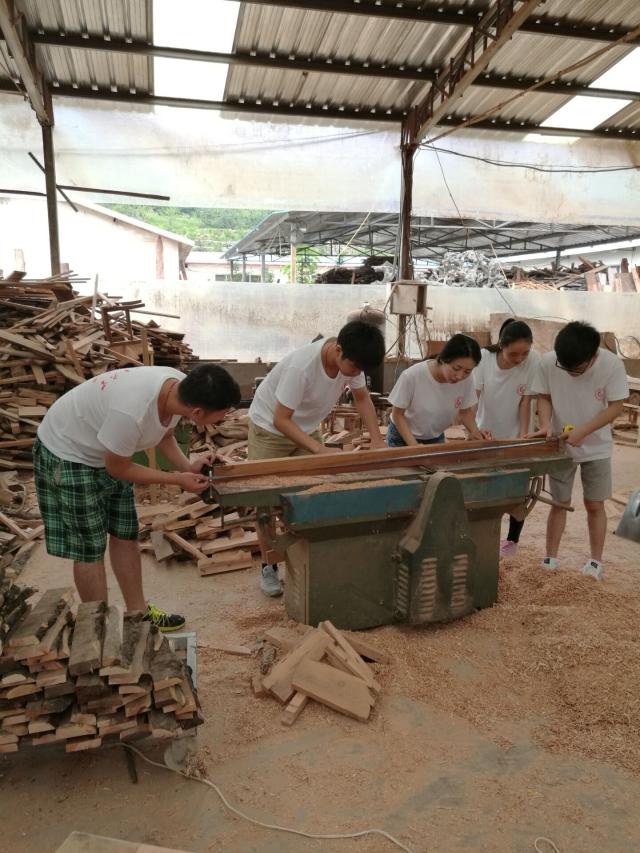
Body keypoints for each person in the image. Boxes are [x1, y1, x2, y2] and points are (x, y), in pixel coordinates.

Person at [33, 364, 241, 630]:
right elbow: (118, 468)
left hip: (108, 450)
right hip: (69, 453)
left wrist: (188, 467)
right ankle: (96, 630)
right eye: (220, 416)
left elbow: (165, 435)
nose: (221, 421)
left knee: (125, 534)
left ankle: (138, 615)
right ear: (198, 412)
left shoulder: (179, 388)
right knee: (90, 548)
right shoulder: (132, 412)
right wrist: (178, 480)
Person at [248, 320, 386, 596]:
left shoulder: (353, 361)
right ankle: (269, 566)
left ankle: (309, 560)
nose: (356, 374)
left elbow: (362, 399)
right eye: (354, 368)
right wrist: (319, 449)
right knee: (264, 501)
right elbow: (281, 419)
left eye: (361, 370)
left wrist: (377, 440)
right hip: (269, 428)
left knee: (317, 491)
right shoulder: (302, 368)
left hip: (306, 426)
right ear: (338, 350)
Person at [530, 321, 628, 581]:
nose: (570, 372)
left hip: (597, 447)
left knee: (594, 504)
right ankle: (550, 558)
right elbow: (544, 396)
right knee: (559, 503)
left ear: (593, 356)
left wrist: (584, 431)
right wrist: (545, 424)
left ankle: (595, 563)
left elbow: (616, 406)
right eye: (565, 366)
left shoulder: (611, 365)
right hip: (560, 445)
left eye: (576, 368)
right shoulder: (549, 362)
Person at [474, 319, 540, 558]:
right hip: (486, 433)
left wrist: (522, 438)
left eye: (525, 353)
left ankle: (512, 541)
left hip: (516, 435)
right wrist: (474, 431)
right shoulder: (484, 359)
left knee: (517, 492)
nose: (519, 359)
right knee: (484, 489)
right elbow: (474, 397)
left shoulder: (534, 360)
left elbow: (525, 402)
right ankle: (482, 539)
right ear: (501, 345)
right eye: (514, 354)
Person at [387, 333, 492, 448]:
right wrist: (414, 445)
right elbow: (397, 414)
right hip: (402, 436)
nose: (460, 376)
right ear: (444, 359)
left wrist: (476, 433)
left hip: (435, 437)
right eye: (456, 368)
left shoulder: (467, 379)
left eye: (467, 371)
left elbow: (465, 412)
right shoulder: (412, 376)